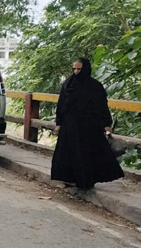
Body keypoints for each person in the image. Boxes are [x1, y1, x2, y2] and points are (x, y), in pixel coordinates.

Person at [51, 58, 124, 189]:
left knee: (88, 153)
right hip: (70, 124)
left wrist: (107, 123)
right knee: (68, 152)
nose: (76, 72)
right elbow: (61, 105)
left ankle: (87, 181)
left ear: (86, 69)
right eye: (74, 69)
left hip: (89, 125)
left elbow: (102, 106)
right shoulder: (68, 84)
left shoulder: (95, 86)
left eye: (79, 69)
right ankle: (69, 179)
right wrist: (59, 123)